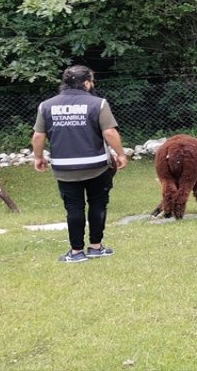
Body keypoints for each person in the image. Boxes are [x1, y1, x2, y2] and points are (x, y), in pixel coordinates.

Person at [32, 65, 128, 263]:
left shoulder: (46, 105)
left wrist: (38, 157)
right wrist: (121, 154)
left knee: (74, 208)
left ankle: (76, 252)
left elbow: (39, 135)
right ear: (86, 83)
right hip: (97, 166)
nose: (93, 84)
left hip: (64, 168)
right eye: (92, 81)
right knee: (98, 204)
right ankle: (96, 247)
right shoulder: (98, 104)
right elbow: (109, 132)